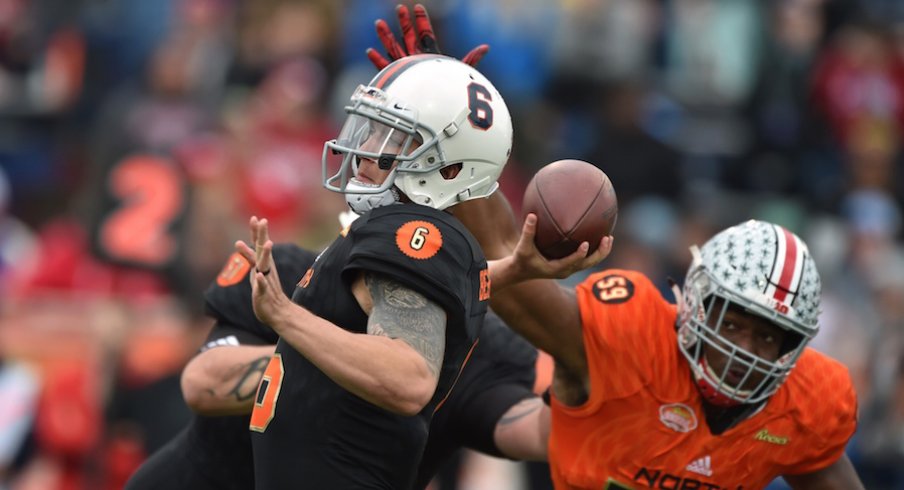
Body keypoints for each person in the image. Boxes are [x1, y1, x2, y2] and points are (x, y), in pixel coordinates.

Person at [232, 15, 517, 490]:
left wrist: (284, 316)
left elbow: (409, 378)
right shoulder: (397, 230)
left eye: (390, 136)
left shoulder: (411, 233)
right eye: (371, 130)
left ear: (447, 166)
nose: (363, 150)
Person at [460, 187, 865, 488]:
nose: (745, 350)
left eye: (767, 337)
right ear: (698, 303)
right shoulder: (629, 336)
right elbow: (504, 266)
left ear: (791, 345)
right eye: (732, 324)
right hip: (484, 386)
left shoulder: (810, 403)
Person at [124, 242, 547, 490]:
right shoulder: (288, 274)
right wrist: (359, 362)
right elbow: (203, 382)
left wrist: (579, 364)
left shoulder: (479, 347)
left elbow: (542, 434)